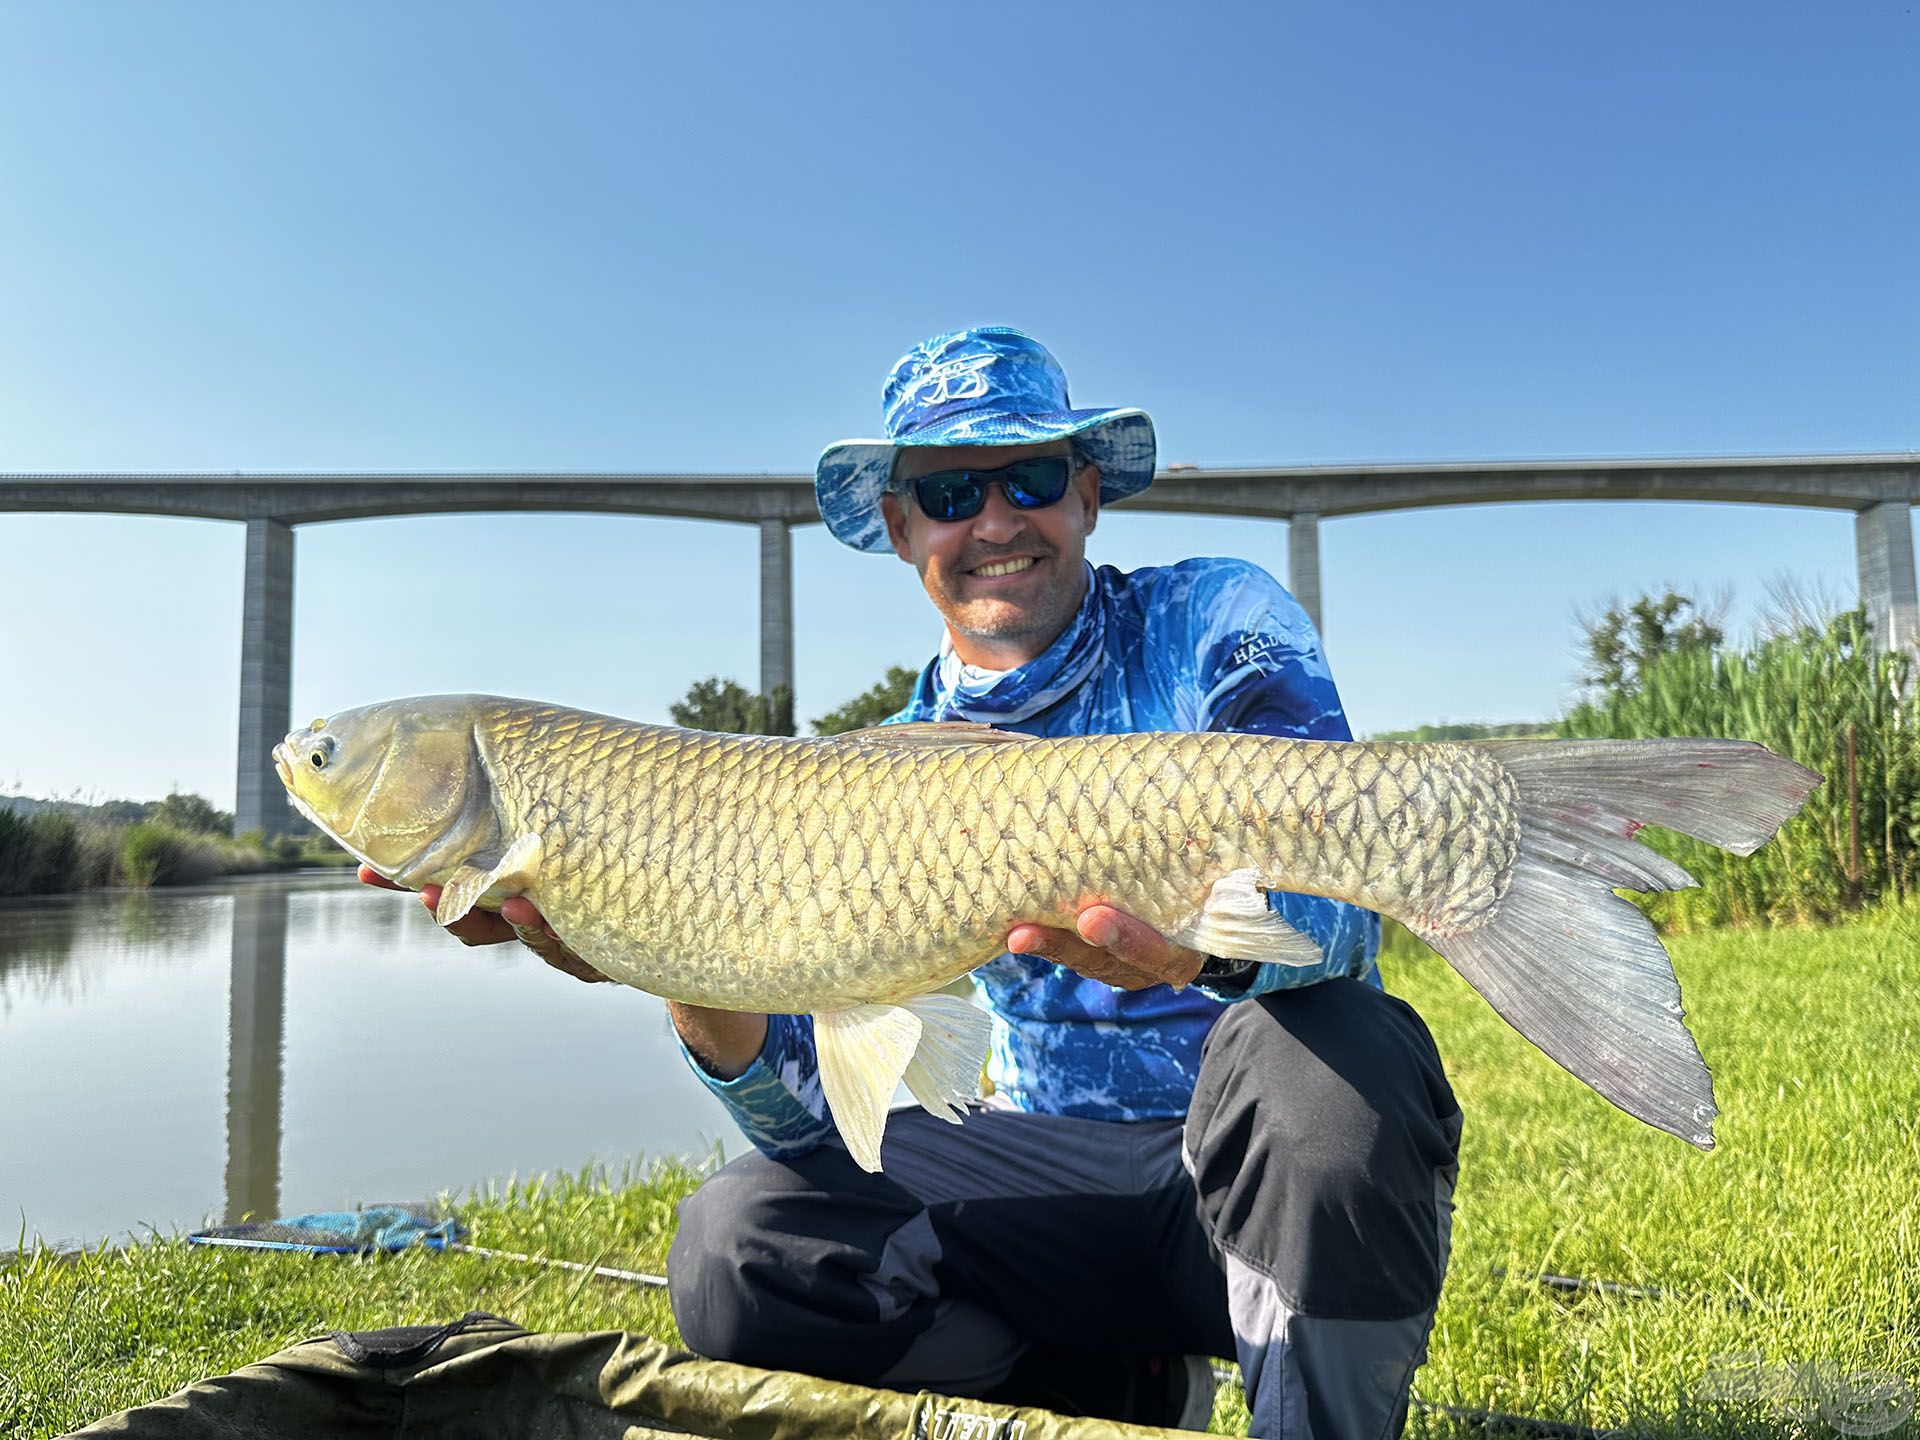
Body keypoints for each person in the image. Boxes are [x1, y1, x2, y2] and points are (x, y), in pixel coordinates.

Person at [368, 327, 1461, 1438]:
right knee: (738, 1245)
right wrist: (672, 957)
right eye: (949, 493)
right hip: (1049, 1183)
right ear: (900, 528)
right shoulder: (862, 775)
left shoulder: (1212, 622)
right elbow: (807, 1129)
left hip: (1256, 1177)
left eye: (1031, 478)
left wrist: (1205, 950)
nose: (995, 521)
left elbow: (1346, 911)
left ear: (1086, 495)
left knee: (1334, 1058)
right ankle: (1091, 1380)